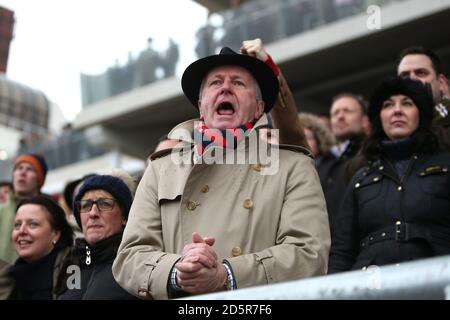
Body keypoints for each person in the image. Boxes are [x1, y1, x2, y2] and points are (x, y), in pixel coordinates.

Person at [112, 46, 330, 299]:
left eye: (238, 83)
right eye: (216, 82)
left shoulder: (294, 166)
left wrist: (227, 274)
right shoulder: (161, 169)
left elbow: (308, 254)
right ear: (201, 106)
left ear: (259, 108)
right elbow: (130, 256)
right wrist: (177, 272)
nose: (225, 88)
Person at [328, 77, 450, 273]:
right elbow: (342, 251)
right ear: (380, 118)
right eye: (388, 105)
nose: (397, 111)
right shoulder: (361, 179)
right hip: (371, 288)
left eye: (407, 103)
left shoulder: (446, 165)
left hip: (436, 282)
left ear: (421, 114)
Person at [58, 170, 137, 300]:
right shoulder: (74, 264)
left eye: (105, 203)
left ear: (124, 216)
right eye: (86, 205)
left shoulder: (136, 262)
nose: (93, 213)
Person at [317, 93, 370, 234]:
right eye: (335, 113)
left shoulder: (373, 155)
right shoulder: (320, 164)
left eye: (347, 111)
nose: (340, 116)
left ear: (365, 120)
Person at [8, 195, 74, 299]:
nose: (21, 231)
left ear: (56, 234)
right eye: (17, 225)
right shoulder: (10, 277)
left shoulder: (74, 268)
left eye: (33, 224)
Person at [397, 46, 450, 150]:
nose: (412, 79)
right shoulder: (383, 139)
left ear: (441, 83)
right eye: (404, 76)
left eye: (421, 73)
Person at [0, 153, 48, 264]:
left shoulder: (49, 212)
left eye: (30, 169)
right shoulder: (1, 210)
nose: (22, 173)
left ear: (39, 179)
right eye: (18, 168)